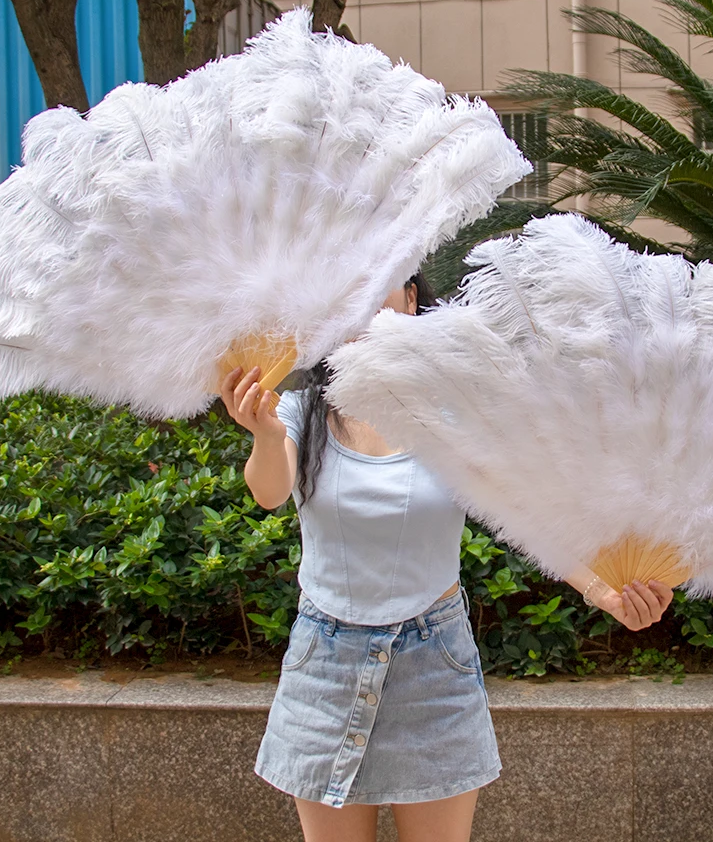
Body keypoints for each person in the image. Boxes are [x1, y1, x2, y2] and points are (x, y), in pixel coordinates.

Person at [220, 273, 673, 842]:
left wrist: (604, 590)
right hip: (325, 665)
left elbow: (523, 513)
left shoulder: (455, 414)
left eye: (379, 285)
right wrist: (262, 433)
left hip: (433, 668)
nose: (362, 306)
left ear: (411, 299)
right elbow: (270, 491)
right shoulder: (303, 410)